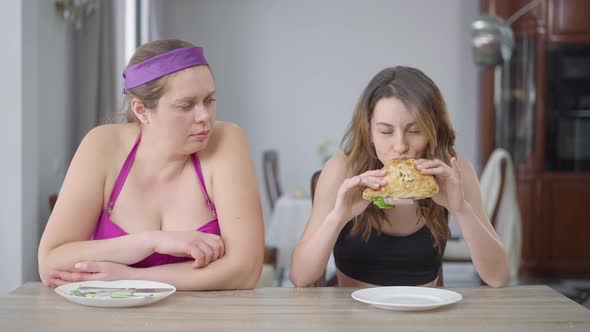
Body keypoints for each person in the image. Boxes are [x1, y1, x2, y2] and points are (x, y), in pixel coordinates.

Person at [38, 39, 264, 290]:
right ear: (141, 110)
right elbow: (51, 262)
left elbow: (246, 270)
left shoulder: (227, 140)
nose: (204, 117)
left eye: (209, 100)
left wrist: (130, 277)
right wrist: (151, 241)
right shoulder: (102, 146)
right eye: (186, 105)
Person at [290, 67, 509, 288]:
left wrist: (461, 209)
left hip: (425, 316)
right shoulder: (343, 169)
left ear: (433, 130)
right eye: (386, 132)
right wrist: (338, 218)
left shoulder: (452, 171)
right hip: (353, 317)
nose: (400, 146)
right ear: (369, 132)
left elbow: (498, 277)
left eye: (415, 131)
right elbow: (300, 277)